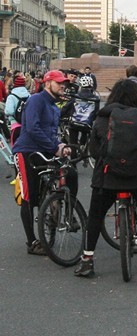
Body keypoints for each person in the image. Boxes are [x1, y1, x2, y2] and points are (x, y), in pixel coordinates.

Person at [74, 80, 137, 277]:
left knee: (95, 216)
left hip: (107, 178)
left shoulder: (103, 117)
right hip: (135, 177)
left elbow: (94, 151)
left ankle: (87, 259)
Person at [12, 70, 77, 255]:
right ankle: (32, 241)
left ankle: (69, 211)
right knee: (29, 196)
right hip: (27, 151)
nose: (63, 86)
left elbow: (51, 133)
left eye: (64, 83)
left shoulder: (55, 106)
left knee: (70, 173)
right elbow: (32, 128)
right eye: (59, 83)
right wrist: (54, 147)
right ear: (48, 83)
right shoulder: (36, 100)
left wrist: (62, 145)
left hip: (44, 150)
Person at [60, 75, 100, 149]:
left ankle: (74, 155)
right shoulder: (95, 98)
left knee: (73, 142)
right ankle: (82, 146)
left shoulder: (76, 96)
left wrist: (60, 115)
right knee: (85, 133)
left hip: (74, 123)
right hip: (87, 124)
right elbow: (96, 112)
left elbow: (66, 108)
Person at [4, 75, 30, 145]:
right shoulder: (29, 95)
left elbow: (9, 111)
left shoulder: (11, 97)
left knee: (15, 147)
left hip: (15, 125)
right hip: (27, 125)